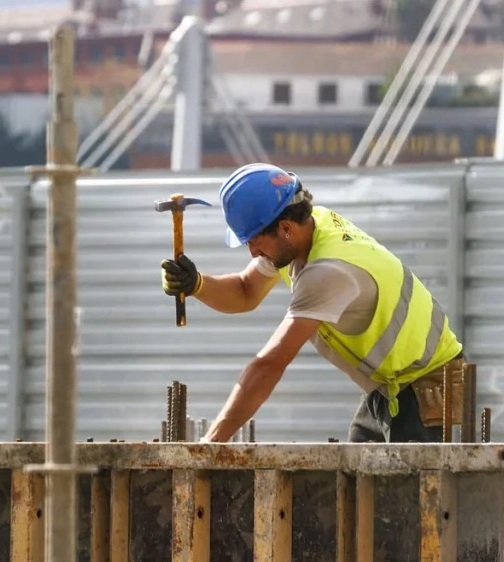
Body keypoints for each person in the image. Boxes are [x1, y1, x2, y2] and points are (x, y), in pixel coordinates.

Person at [160, 162, 465, 444]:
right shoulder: (306, 230)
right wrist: (196, 283)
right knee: (356, 478)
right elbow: (245, 290)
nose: (252, 252)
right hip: (390, 387)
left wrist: (209, 445)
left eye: (254, 241)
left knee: (410, 487)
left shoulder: (327, 271)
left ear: (285, 229)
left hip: (429, 389)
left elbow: (269, 365)